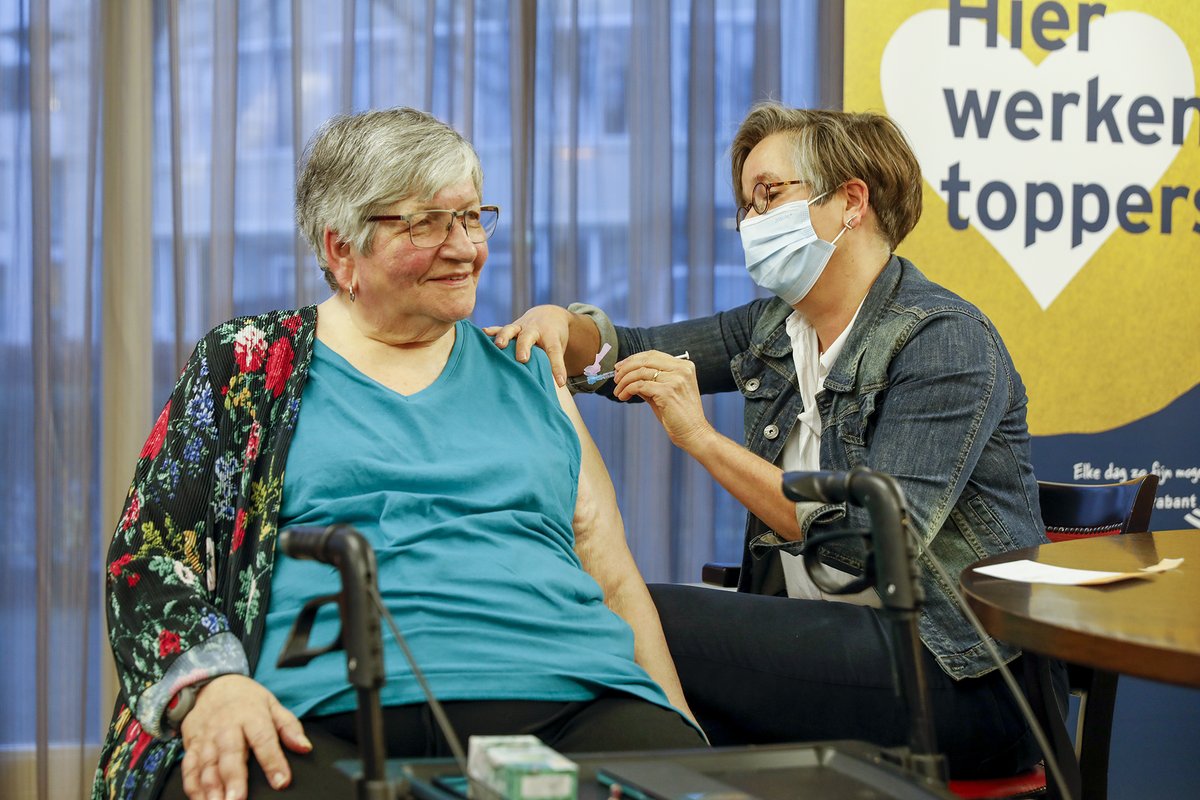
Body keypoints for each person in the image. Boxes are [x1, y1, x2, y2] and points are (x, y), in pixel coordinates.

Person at [94, 107, 703, 800]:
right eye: (426, 224)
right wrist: (213, 687)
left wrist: (685, 734)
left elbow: (614, 577)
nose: (464, 247)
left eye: (471, 218)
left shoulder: (531, 371)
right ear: (341, 250)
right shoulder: (251, 366)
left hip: (574, 701)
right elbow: (146, 554)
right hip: (321, 717)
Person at [485, 103, 1063, 780]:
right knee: (639, 682)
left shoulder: (943, 340)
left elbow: (866, 544)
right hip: (838, 650)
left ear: (851, 202)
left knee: (638, 617)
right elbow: (630, 350)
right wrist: (562, 324)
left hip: (963, 677)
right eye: (745, 206)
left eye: (768, 195)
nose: (750, 222)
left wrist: (701, 439)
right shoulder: (774, 329)